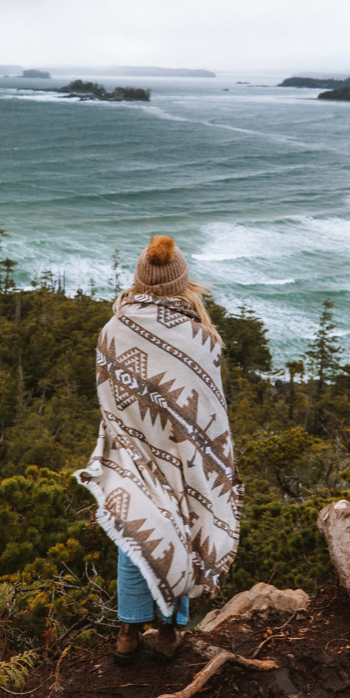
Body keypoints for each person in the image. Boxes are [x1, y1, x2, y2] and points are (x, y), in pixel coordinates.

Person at [75, 235, 243, 663]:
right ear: (183, 283)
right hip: (184, 458)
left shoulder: (113, 329)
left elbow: (110, 399)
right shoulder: (201, 337)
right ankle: (169, 631)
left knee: (137, 536)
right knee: (179, 533)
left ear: (139, 280)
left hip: (131, 449)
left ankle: (128, 633)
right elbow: (208, 413)